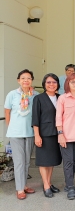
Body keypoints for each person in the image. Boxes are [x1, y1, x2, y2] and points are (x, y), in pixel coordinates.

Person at [4, 69, 39, 200]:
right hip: (16, 133)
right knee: (19, 162)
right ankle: (19, 189)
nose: (26, 80)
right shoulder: (12, 94)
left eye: (28, 78)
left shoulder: (35, 95)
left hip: (29, 132)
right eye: (23, 78)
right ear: (19, 80)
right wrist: (11, 127)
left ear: (32, 81)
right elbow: (7, 112)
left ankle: (23, 185)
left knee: (27, 162)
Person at [32, 73, 62, 198]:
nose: (51, 84)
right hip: (44, 134)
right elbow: (35, 118)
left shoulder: (60, 97)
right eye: (48, 82)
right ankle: (45, 185)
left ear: (57, 84)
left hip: (57, 134)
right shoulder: (39, 98)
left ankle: (49, 182)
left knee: (51, 161)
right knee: (44, 162)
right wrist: (37, 135)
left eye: (54, 82)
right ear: (44, 84)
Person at [56, 73, 75, 200]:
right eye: (72, 82)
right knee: (68, 162)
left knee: (74, 161)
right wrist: (60, 134)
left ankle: (69, 184)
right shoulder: (62, 98)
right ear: (68, 84)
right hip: (66, 135)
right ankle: (70, 187)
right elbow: (58, 117)